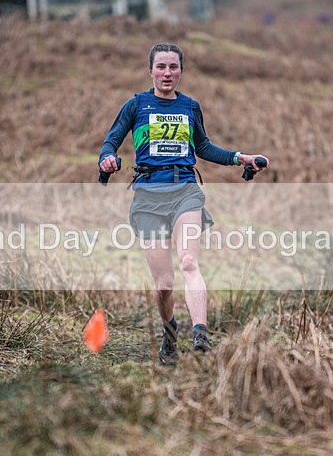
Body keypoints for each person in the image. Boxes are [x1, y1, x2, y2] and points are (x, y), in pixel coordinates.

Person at [98, 43, 269, 366]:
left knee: (189, 262)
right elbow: (111, 140)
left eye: (173, 67)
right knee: (164, 285)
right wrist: (107, 158)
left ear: (181, 71)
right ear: (150, 70)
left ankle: (201, 335)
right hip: (148, 197)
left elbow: (202, 146)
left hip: (185, 191)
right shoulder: (136, 105)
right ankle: (169, 331)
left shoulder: (190, 107)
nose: (167, 73)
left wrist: (239, 158)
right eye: (160, 67)